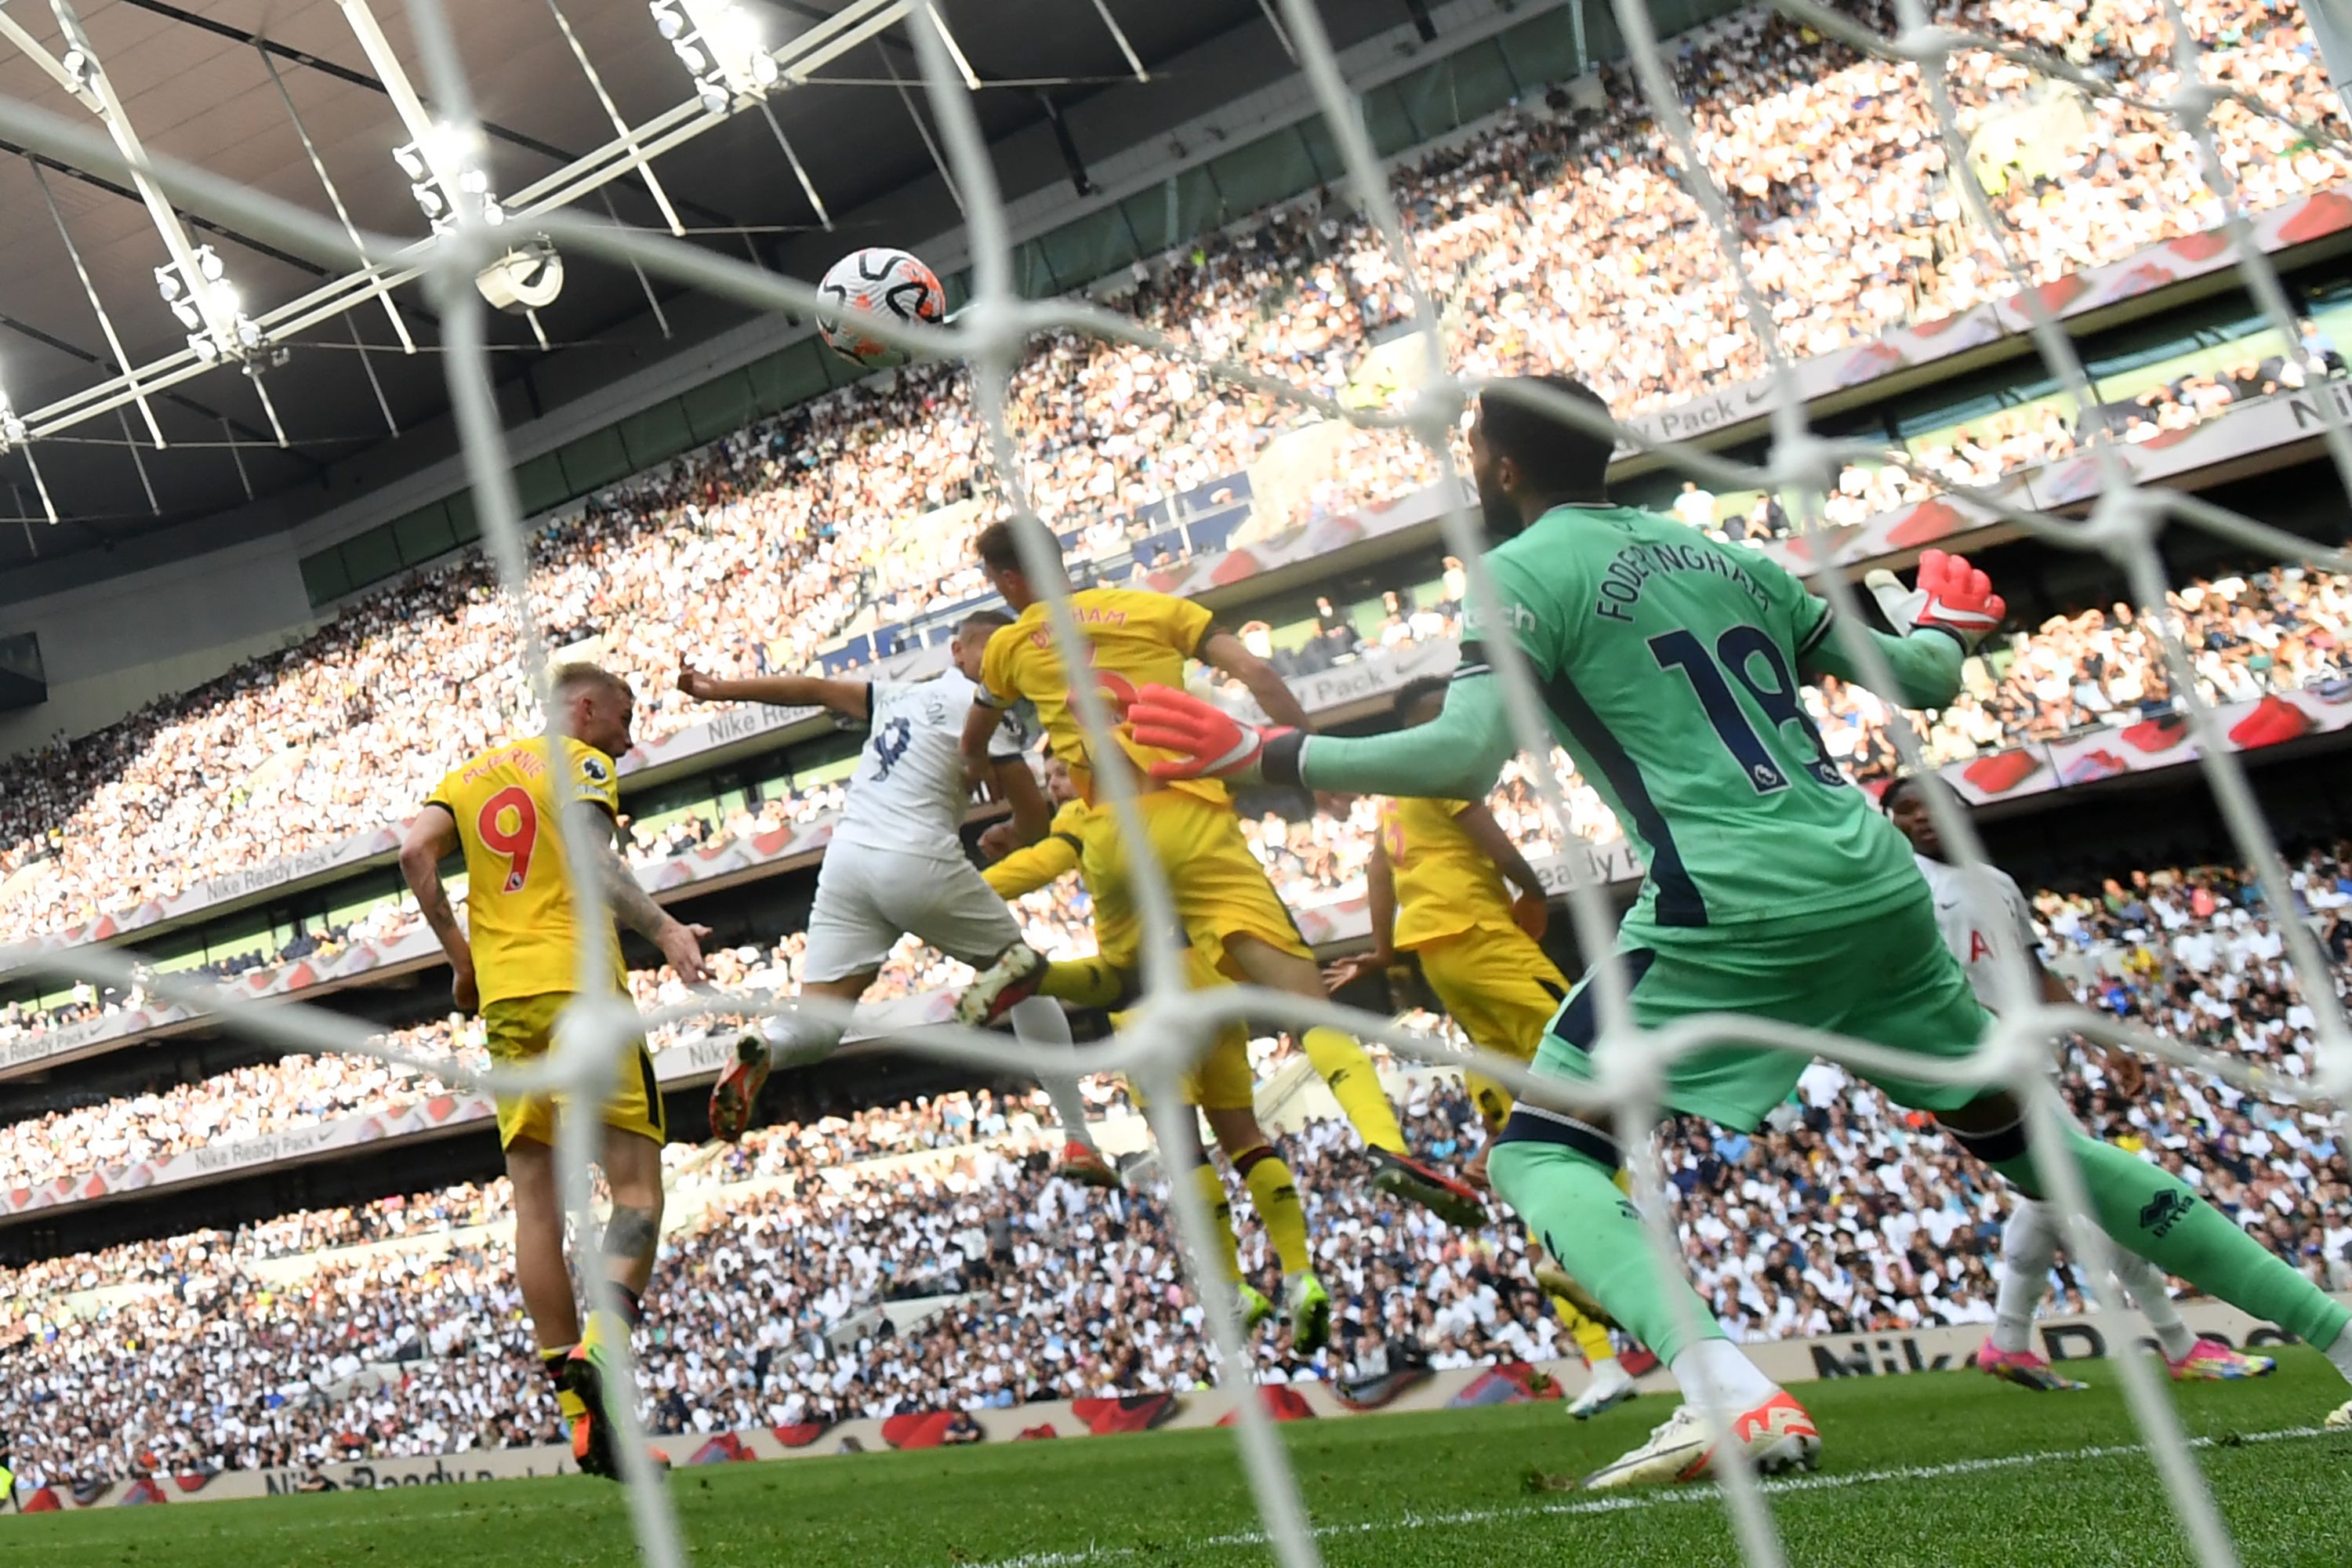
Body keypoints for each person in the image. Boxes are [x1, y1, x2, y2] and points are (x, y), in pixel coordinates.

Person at [1126, 372, 2352, 1487]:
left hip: (1731, 907)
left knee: (1541, 1153)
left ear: (1499, 467)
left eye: (1471, 449)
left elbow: (1462, 753)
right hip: (1874, 889)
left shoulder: (1522, 575)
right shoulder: (1726, 558)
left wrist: (1267, 750)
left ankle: (1727, 1395)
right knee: (2037, 1149)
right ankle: (2337, 1334)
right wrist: (1943, 624)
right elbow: (1922, 685)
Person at [949, 522, 1483, 1228]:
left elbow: (977, 739)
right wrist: (1315, 771)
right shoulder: (1151, 608)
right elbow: (1260, 675)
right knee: (1305, 1004)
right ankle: (1384, 1147)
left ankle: (1039, 975)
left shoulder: (1014, 645)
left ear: (1008, 583)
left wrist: (993, 790)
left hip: (1107, 828)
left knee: (1121, 979)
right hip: (1191, 817)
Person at [397, 662, 708, 1479]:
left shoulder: (465, 778)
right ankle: (602, 1350)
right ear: (585, 705)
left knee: (536, 1207)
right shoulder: (582, 762)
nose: (628, 739)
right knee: (637, 1189)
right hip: (584, 991)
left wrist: (462, 963)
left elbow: (413, 849)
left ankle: (583, 1423)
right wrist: (669, 929)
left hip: (509, 1007)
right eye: (624, 718)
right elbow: (597, 866)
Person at [674, 625, 1112, 1185]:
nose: (1004, 658)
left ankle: (765, 1045)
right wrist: (1009, 832)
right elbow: (1031, 818)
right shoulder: (990, 713)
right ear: (958, 651)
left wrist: (721, 688)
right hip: (915, 859)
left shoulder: (897, 694)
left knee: (820, 1026)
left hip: (848, 862)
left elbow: (812, 689)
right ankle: (1078, 1136)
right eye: (992, 647)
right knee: (1024, 973)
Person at [1881, 773, 2276, 1388]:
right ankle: (2180, 1345)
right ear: (1891, 824)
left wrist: (2106, 1043)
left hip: (2034, 1058)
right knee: (2089, 1194)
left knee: (2046, 1199)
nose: (1925, 818)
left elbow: (2036, 972)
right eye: (1908, 811)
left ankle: (2008, 1341)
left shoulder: (1996, 884)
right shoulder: (1905, 887)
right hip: (1982, 1064)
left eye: (1938, 805)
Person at [1328, 674, 1634, 1417]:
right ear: (1434, 719)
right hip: (1481, 940)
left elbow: (1379, 879)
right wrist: (1531, 892)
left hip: (1440, 966)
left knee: (1529, 1140)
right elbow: (1491, 840)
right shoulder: (1442, 765)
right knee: (1597, 1078)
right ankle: (1615, 1254)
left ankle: (1599, 1359)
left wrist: (1382, 957)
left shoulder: (1390, 801)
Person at [980, 755, 1331, 1348]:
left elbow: (1042, 864)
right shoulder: (1171, 797)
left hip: (1149, 995)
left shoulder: (1086, 817)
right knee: (1245, 1136)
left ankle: (1231, 1286)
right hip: (1211, 983)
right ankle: (1299, 1275)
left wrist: (947, 898)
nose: (1056, 786)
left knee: (1182, 1146)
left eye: (1060, 772)